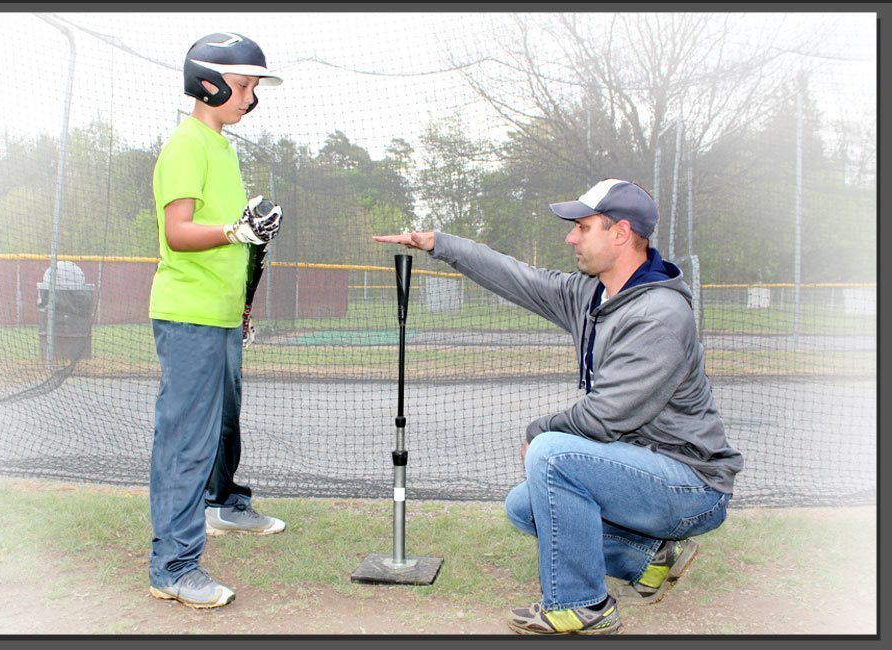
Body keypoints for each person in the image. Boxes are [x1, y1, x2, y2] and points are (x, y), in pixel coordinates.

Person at [374, 178, 743, 635]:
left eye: (583, 227)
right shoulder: (592, 295)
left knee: (551, 454)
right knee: (524, 506)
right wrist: (439, 244)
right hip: (640, 469)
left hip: (690, 485)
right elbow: (517, 276)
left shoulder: (658, 315)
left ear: (620, 233)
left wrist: (538, 431)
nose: (571, 237)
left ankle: (582, 606)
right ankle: (647, 557)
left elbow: (609, 416)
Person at [147, 32, 287, 610]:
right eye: (244, 85)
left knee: (216, 433)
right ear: (208, 82)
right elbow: (179, 233)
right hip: (189, 317)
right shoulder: (187, 145)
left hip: (221, 317)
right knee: (185, 442)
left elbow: (228, 240)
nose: (251, 97)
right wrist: (235, 231)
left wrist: (247, 237)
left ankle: (222, 507)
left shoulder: (222, 148)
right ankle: (173, 566)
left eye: (254, 87)